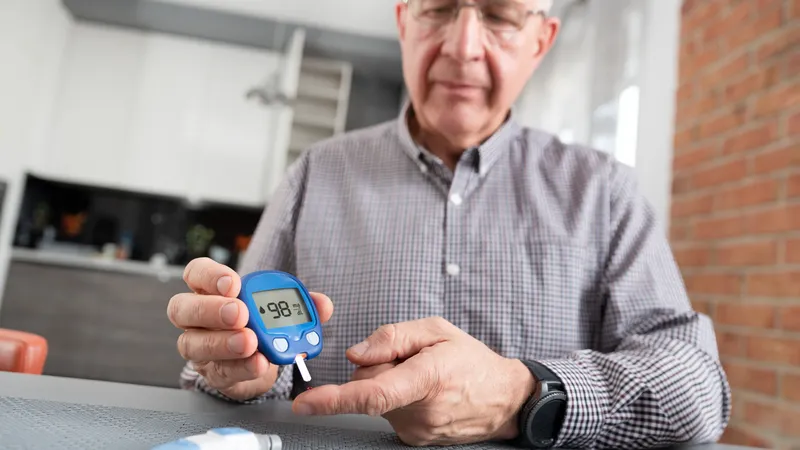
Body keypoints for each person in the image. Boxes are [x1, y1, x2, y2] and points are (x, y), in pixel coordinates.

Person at [166, 0, 731, 448]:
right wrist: (233, 372)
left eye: (500, 14)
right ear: (403, 21)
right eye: (438, 8)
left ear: (541, 41)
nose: (462, 47)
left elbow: (699, 386)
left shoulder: (607, 193)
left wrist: (523, 395)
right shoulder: (315, 174)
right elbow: (241, 365)